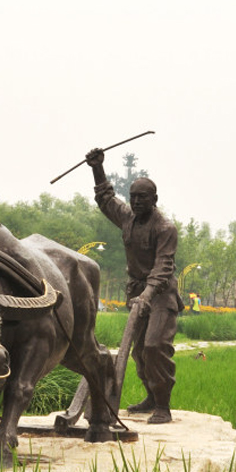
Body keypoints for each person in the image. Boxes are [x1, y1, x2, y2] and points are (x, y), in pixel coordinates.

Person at [85, 148, 181, 424]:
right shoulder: (128, 218)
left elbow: (163, 266)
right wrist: (97, 168)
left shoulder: (165, 228)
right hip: (138, 292)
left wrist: (147, 295)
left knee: (154, 346)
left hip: (160, 295)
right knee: (138, 352)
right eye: (133, 196)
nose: (136, 201)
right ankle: (151, 397)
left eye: (143, 197)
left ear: (155, 199)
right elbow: (106, 199)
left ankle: (163, 406)